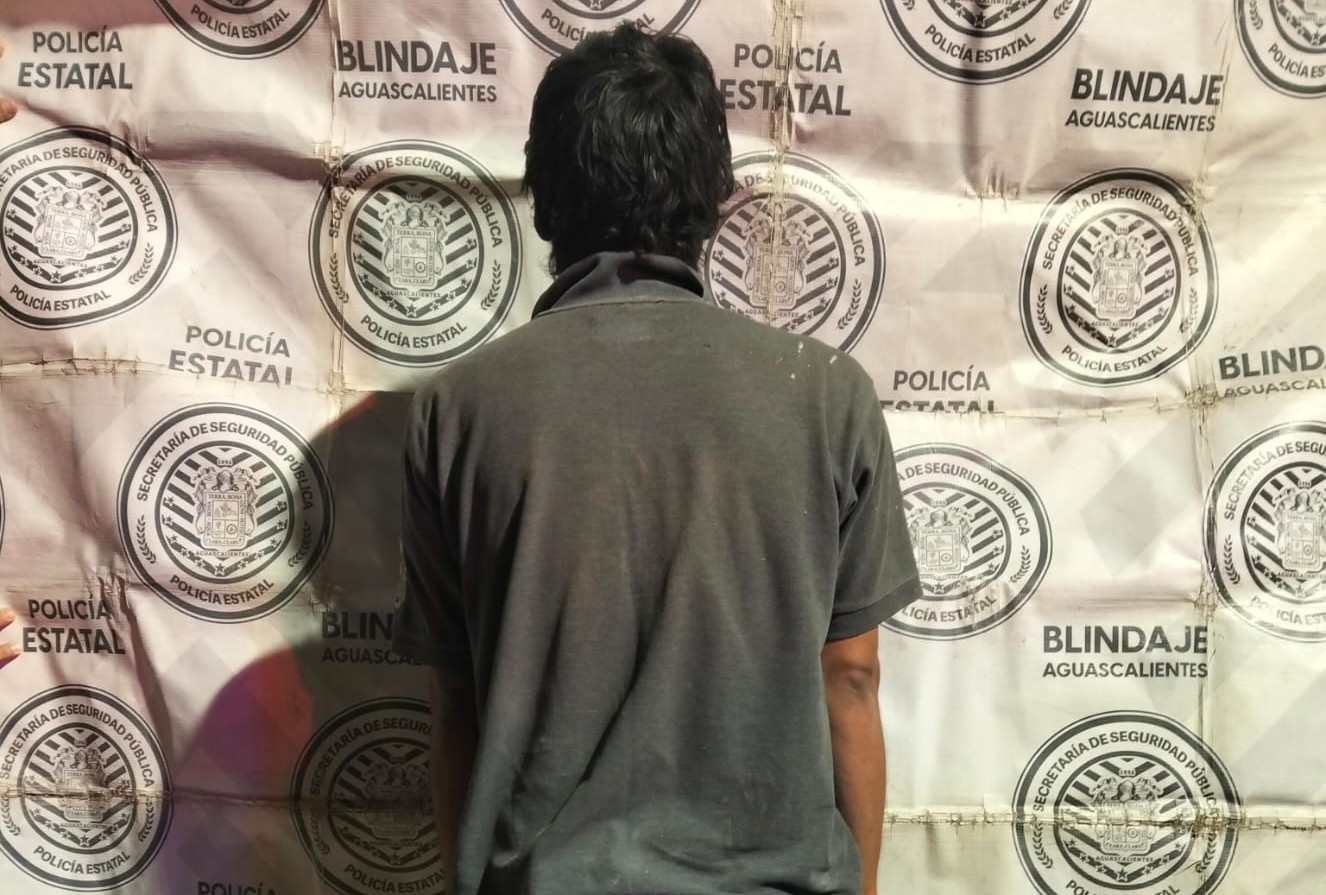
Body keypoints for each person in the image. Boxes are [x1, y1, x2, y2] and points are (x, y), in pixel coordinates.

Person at [393, 23, 919, 895]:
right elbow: (851, 678)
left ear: (544, 195)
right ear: (712, 192)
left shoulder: (457, 409)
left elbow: (455, 707)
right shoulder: (829, 396)